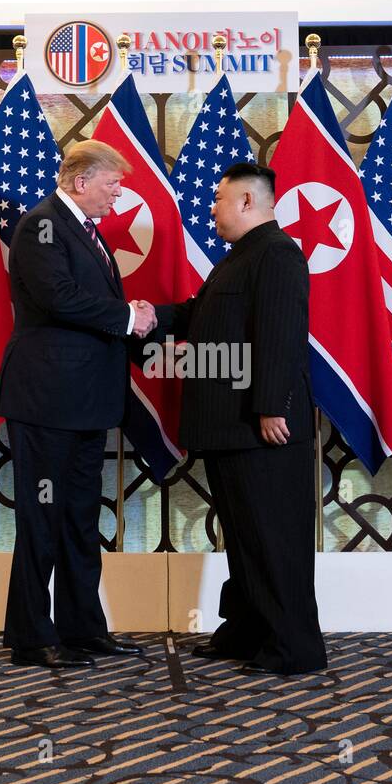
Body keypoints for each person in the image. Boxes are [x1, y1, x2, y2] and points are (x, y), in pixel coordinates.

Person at [150, 162, 327, 676]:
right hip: (230, 427)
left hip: (260, 427)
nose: (212, 208)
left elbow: (281, 333)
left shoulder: (276, 253)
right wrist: (148, 316)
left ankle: (293, 648)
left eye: (219, 199)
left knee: (273, 538)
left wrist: (271, 405)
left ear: (248, 202)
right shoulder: (239, 257)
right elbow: (196, 314)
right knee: (247, 537)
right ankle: (249, 632)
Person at [0, 140, 157, 669]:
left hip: (85, 403)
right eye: (113, 184)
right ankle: (32, 637)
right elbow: (59, 297)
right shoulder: (40, 226)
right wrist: (129, 318)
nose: (118, 194)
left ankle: (83, 628)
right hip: (47, 402)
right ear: (80, 181)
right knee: (43, 517)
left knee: (81, 518)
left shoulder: (87, 233)